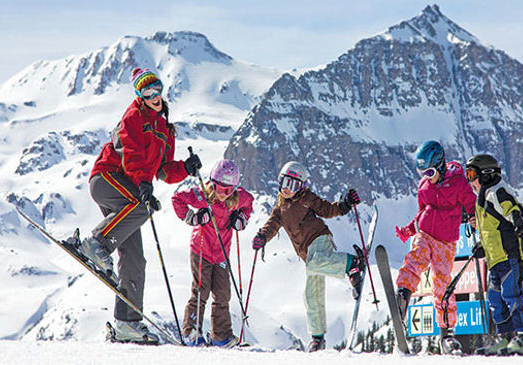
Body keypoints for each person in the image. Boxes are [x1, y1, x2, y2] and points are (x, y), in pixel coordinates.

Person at [70, 67, 202, 344]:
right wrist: (143, 185)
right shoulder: (133, 117)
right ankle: (96, 243)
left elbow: (165, 171)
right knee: (142, 208)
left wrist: (186, 169)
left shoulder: (165, 130)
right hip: (108, 177)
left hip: (130, 190)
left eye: (156, 89)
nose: (154, 96)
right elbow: (131, 154)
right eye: (146, 92)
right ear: (139, 95)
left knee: (134, 259)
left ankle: (126, 323)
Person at [251, 161, 364, 352]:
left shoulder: (307, 198)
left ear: (301, 187)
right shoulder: (280, 208)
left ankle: (353, 263)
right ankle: (318, 338)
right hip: (307, 253)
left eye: (293, 185)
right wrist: (262, 236)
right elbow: (271, 225)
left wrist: (345, 204)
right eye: (284, 182)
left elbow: (328, 210)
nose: (287, 188)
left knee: (314, 264)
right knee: (311, 294)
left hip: (319, 239)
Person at [393, 140, 476, 355]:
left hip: (445, 243)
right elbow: (422, 213)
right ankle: (403, 294)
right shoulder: (424, 186)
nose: (427, 176)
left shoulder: (457, 182)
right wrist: (409, 230)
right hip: (425, 234)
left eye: (429, 171)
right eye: (422, 172)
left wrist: (475, 217)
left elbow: (470, 201)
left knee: (442, 286)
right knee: (414, 259)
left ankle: (446, 335)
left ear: (440, 164)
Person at [172, 159, 253, 348]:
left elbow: (249, 203)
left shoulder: (237, 198)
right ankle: (191, 332)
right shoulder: (202, 196)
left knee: (223, 294)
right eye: (220, 188)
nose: (224, 194)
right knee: (201, 291)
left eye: (229, 190)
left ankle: (221, 336)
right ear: (212, 183)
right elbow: (177, 200)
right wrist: (193, 218)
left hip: (222, 255)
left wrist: (241, 217)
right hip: (201, 250)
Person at [465, 154, 523, 355]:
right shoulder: (483, 200)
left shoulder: (497, 193)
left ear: (487, 174)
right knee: (495, 299)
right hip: (495, 261)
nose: (469, 180)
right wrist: (482, 246)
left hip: (510, 257)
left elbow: (514, 212)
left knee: (511, 294)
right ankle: (506, 337)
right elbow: (492, 230)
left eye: (472, 174)